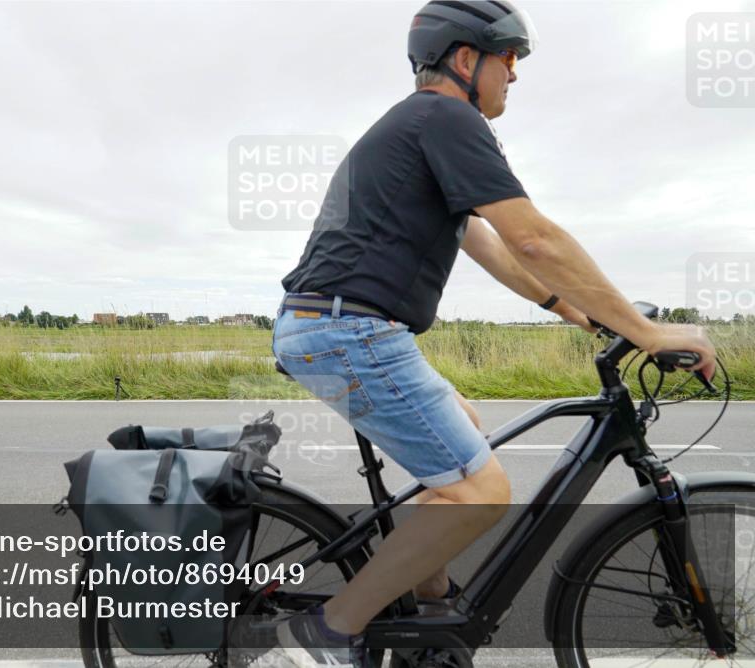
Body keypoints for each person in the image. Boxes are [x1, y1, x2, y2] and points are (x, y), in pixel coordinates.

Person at [271, 1, 717, 666]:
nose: (514, 72)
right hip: (350, 331)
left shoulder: (424, 127)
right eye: (507, 56)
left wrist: (578, 311)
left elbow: (494, 247)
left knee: (463, 426)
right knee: (482, 491)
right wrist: (647, 332)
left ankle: (429, 617)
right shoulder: (446, 115)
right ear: (463, 59)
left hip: (333, 326)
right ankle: (327, 634)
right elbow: (534, 238)